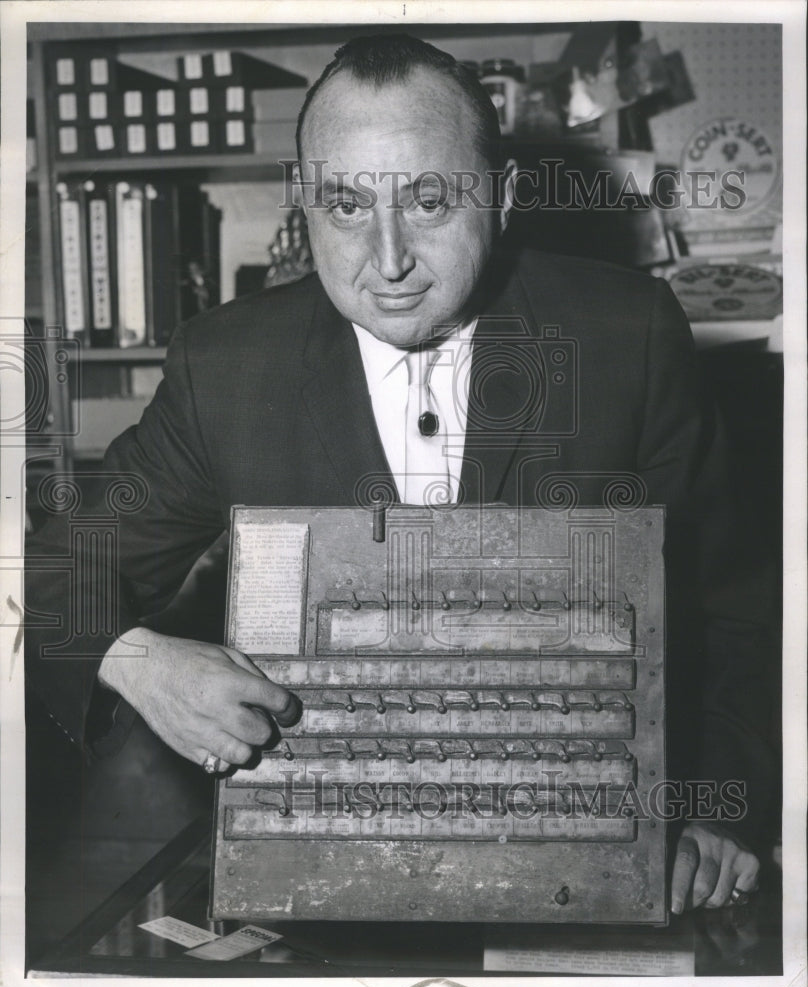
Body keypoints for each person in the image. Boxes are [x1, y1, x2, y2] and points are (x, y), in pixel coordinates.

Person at [26, 33, 775, 916]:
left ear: (501, 199)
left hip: (584, 862)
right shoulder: (227, 367)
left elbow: (740, 608)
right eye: (345, 205)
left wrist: (718, 803)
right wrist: (137, 661)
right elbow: (50, 577)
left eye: (427, 200)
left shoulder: (627, 335)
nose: (386, 261)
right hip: (325, 877)